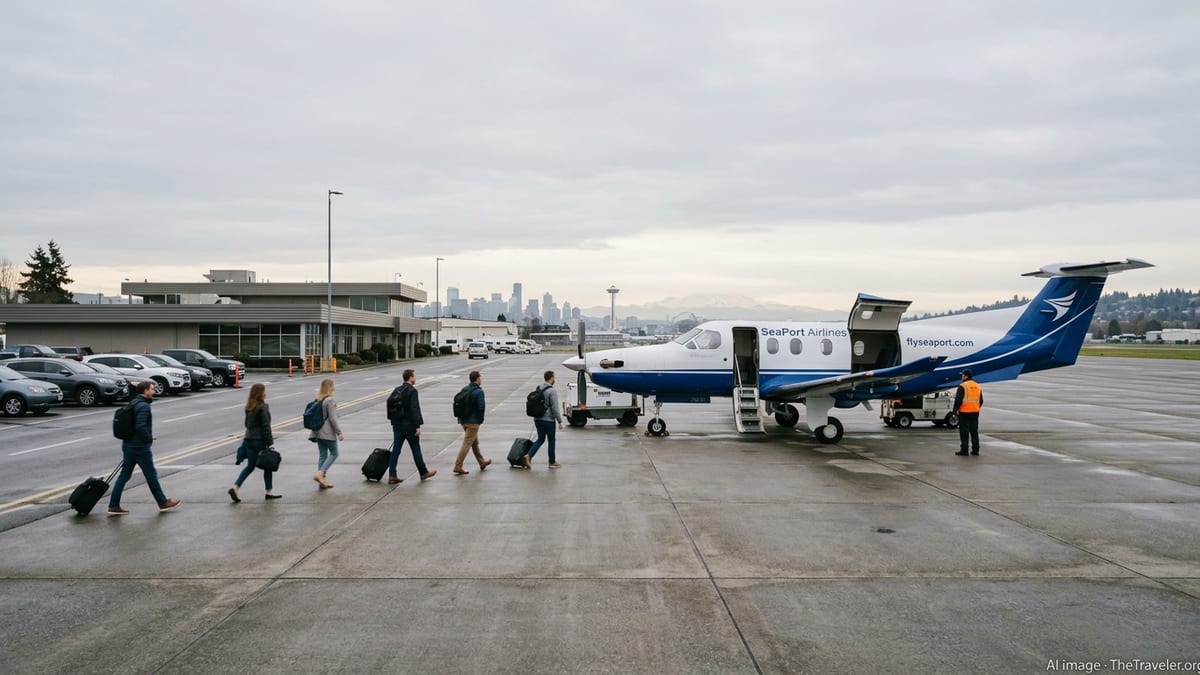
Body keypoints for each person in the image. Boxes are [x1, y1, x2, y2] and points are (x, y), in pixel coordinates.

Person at [107, 380, 180, 515]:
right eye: (152, 389)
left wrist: (134, 386)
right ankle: (162, 502)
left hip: (128, 444)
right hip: (140, 446)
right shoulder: (144, 406)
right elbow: (140, 426)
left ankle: (113, 505)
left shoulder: (134, 402)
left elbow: (133, 396)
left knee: (124, 476)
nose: (154, 391)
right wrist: (149, 439)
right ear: (145, 391)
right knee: (151, 474)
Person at [229, 382, 281, 501]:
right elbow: (266, 427)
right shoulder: (263, 407)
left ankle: (235, 487)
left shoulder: (249, 407)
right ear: (261, 393)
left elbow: (247, 424)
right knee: (268, 466)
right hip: (259, 440)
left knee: (250, 466)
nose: (265, 393)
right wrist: (270, 442)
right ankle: (269, 492)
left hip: (248, 439)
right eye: (264, 391)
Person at [386, 369, 437, 483]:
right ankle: (423, 472)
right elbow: (415, 409)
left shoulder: (397, 389)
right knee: (415, 448)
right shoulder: (412, 391)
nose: (415, 378)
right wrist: (417, 425)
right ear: (410, 377)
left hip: (397, 424)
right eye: (414, 376)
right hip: (409, 425)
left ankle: (392, 474)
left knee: (396, 450)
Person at [453, 370, 492, 475]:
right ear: (478, 379)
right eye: (480, 378)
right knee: (467, 443)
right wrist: (480, 420)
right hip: (473, 422)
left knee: (474, 442)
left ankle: (481, 462)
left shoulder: (465, 389)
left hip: (463, 420)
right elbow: (481, 407)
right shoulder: (479, 392)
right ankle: (458, 465)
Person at [524, 370, 564, 469]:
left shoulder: (539, 388)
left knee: (540, 439)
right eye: (554, 377)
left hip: (537, 419)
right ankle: (552, 461)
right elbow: (555, 408)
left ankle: (528, 456)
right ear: (551, 378)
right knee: (551, 440)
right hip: (548, 420)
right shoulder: (552, 391)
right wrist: (560, 421)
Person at [309, 378, 342, 489]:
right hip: (327, 432)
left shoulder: (318, 399)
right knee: (334, 453)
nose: (334, 387)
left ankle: (321, 480)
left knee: (323, 455)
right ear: (330, 387)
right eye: (333, 385)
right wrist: (339, 432)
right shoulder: (330, 400)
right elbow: (333, 419)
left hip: (317, 431)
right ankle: (320, 473)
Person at [954, 369, 983, 456]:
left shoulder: (962, 386)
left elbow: (958, 400)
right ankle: (975, 450)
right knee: (974, 431)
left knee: (964, 432)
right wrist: (976, 407)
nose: (961, 377)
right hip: (975, 412)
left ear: (966, 376)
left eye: (962, 375)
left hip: (964, 412)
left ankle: (964, 450)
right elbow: (981, 400)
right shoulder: (978, 386)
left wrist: (954, 411)